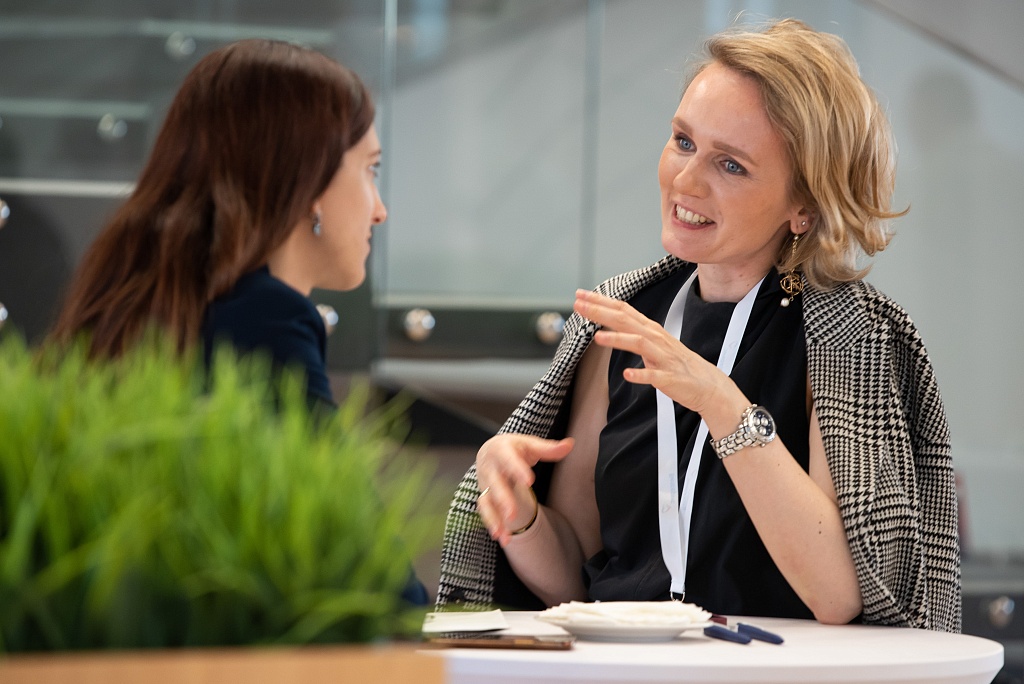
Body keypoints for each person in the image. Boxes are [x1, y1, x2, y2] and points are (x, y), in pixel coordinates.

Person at [437, 18, 960, 632]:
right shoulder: (626, 315)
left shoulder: (849, 336)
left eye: (730, 165)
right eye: (683, 141)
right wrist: (520, 514)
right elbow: (576, 575)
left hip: (776, 671)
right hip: (631, 669)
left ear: (804, 206)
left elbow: (838, 596)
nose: (685, 180)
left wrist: (721, 403)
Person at [48, 39, 428, 605]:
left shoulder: (161, 306)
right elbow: (378, 583)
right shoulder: (266, 322)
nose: (379, 209)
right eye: (370, 171)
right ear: (311, 183)